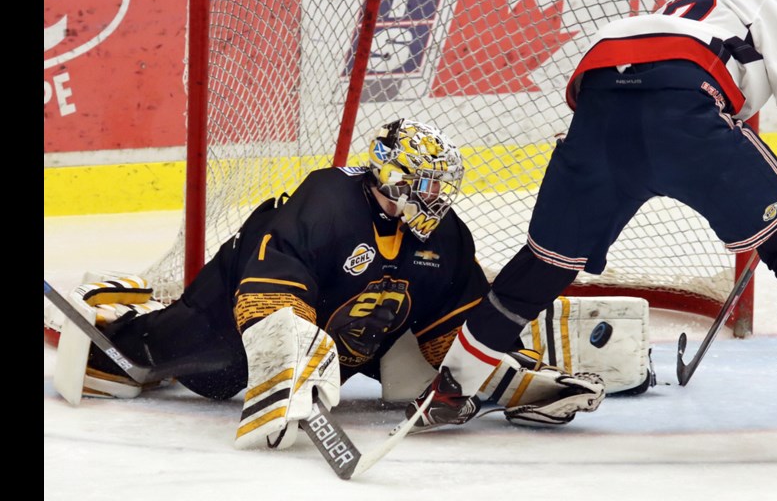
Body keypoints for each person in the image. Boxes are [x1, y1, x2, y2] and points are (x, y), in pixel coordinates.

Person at [405, 0, 777, 466]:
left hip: (602, 94)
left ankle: (450, 389)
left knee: (546, 262)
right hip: (683, 100)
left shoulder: (673, 3)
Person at [50, 119, 616, 448]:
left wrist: (482, 370)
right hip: (231, 318)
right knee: (137, 368)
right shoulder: (328, 200)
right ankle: (118, 317)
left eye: (442, 186)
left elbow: (454, 319)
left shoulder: (442, 236)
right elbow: (270, 289)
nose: (436, 198)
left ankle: (511, 381)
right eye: (425, 185)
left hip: (344, 350)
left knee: (401, 336)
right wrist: (292, 360)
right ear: (391, 178)